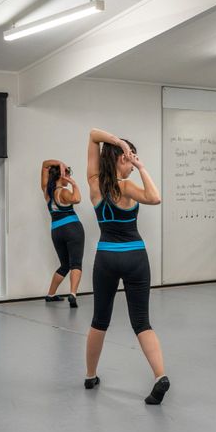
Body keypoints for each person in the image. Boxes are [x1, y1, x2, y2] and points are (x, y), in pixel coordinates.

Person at [84, 128, 170, 404]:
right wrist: (141, 168)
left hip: (106, 258)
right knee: (142, 322)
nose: (133, 164)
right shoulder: (127, 187)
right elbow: (155, 198)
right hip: (135, 257)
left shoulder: (95, 184)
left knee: (100, 320)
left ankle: (90, 375)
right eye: (131, 159)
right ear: (123, 158)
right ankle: (160, 376)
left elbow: (93, 135)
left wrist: (118, 143)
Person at [41, 159, 84, 307]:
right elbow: (77, 199)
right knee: (75, 264)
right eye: (68, 174)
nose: (69, 177)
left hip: (56, 231)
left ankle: (51, 294)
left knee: (64, 265)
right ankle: (73, 294)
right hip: (73, 229)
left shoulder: (47, 191)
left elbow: (45, 165)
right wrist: (74, 184)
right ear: (61, 176)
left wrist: (60, 163)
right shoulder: (64, 192)